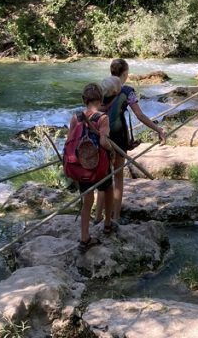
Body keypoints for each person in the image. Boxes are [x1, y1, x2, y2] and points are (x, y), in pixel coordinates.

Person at [96, 58, 167, 225]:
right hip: (118, 137)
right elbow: (140, 115)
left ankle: (98, 218)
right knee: (118, 179)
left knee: (104, 179)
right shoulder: (127, 91)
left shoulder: (102, 89)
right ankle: (116, 217)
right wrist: (159, 130)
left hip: (102, 136)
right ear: (125, 74)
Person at [67, 82, 115, 250]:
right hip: (99, 166)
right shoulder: (102, 118)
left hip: (81, 165)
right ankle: (108, 224)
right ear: (101, 99)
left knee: (87, 200)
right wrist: (112, 150)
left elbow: (69, 141)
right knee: (108, 189)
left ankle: (85, 237)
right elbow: (103, 141)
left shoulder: (76, 117)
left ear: (83, 99)